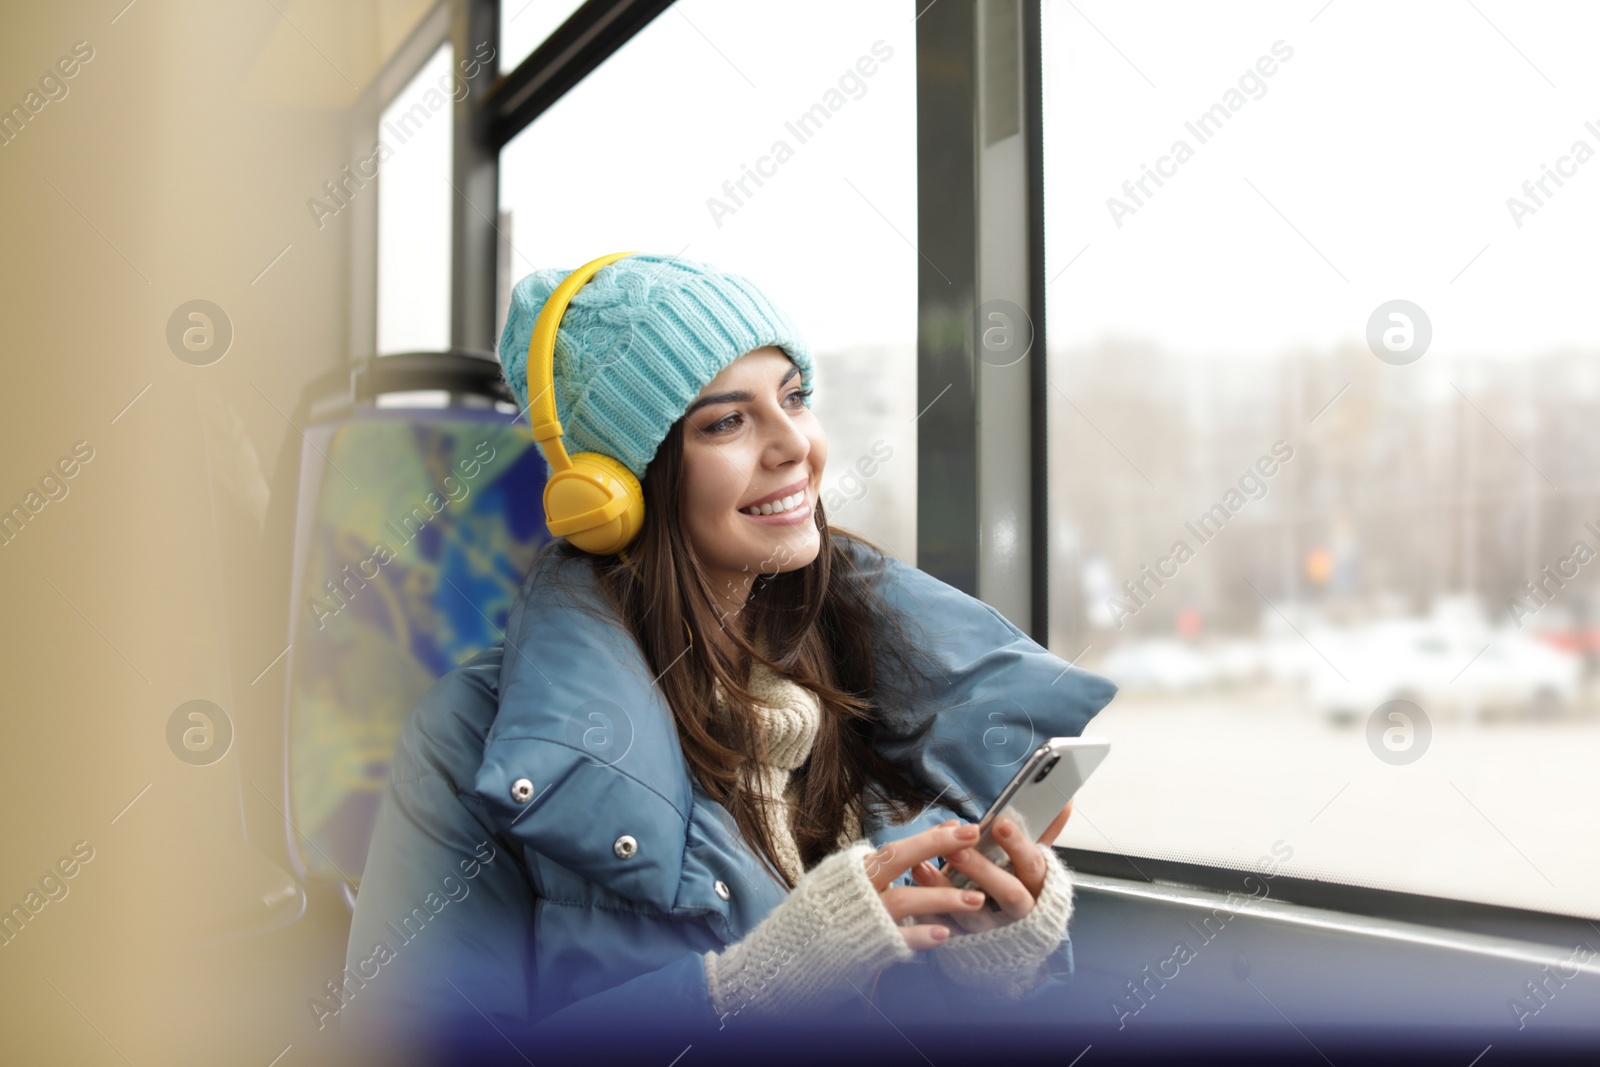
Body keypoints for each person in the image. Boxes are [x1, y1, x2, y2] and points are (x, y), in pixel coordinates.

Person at [336, 253, 1117, 1066]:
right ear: (619, 487)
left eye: (794, 398)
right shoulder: (466, 738)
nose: (794, 446)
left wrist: (999, 974)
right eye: (726, 422)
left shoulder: (886, 685)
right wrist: (743, 994)